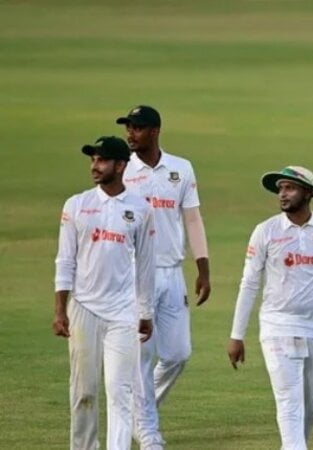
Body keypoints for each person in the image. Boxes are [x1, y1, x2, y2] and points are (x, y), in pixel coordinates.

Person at [227, 166, 313, 450]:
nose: (282, 194)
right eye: (280, 189)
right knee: (289, 401)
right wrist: (237, 335)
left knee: (309, 407)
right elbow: (249, 283)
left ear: (308, 192)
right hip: (277, 325)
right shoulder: (266, 231)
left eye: (290, 188)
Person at [116, 105, 211, 449]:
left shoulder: (180, 168)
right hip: (135, 275)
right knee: (141, 358)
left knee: (178, 354)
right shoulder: (122, 170)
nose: (130, 134)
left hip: (172, 272)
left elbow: (193, 219)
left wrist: (203, 267)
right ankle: (149, 433)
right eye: (128, 127)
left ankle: (136, 415)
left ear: (154, 131)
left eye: (137, 128)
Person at [54, 136, 155, 450]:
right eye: (93, 160)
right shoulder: (76, 205)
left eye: (101, 160)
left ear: (120, 165)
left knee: (119, 390)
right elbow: (65, 260)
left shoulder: (140, 209)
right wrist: (60, 310)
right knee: (84, 391)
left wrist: (145, 312)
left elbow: (146, 265)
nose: (94, 166)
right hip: (83, 308)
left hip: (123, 312)